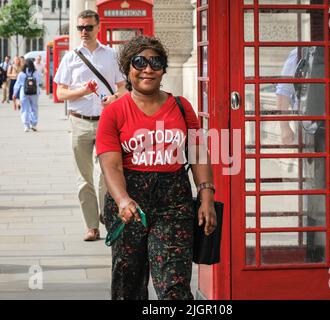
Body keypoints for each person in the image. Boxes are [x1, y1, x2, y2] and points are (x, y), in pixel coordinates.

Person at [96, 35, 217, 300]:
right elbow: (111, 164)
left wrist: (206, 196)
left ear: (163, 69)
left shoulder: (182, 107)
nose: (148, 68)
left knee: (175, 285)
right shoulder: (114, 112)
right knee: (129, 284)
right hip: (130, 203)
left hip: (174, 201)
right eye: (139, 62)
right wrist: (122, 199)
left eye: (156, 62)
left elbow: (198, 154)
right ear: (128, 68)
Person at [54, 9, 126, 242]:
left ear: (98, 27)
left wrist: (114, 99)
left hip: (106, 122)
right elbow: (60, 92)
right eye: (80, 28)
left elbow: (123, 88)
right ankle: (91, 226)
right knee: (83, 178)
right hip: (79, 122)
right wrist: (82, 91)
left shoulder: (111, 55)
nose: (83, 32)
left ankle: (107, 215)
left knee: (108, 174)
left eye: (88, 27)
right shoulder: (71, 57)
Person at [13, 59, 41, 132]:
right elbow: (38, 82)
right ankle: (33, 124)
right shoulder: (36, 73)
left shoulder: (21, 74)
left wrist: (14, 94)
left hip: (24, 92)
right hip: (34, 93)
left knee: (25, 109)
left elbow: (17, 84)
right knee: (34, 108)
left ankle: (26, 126)